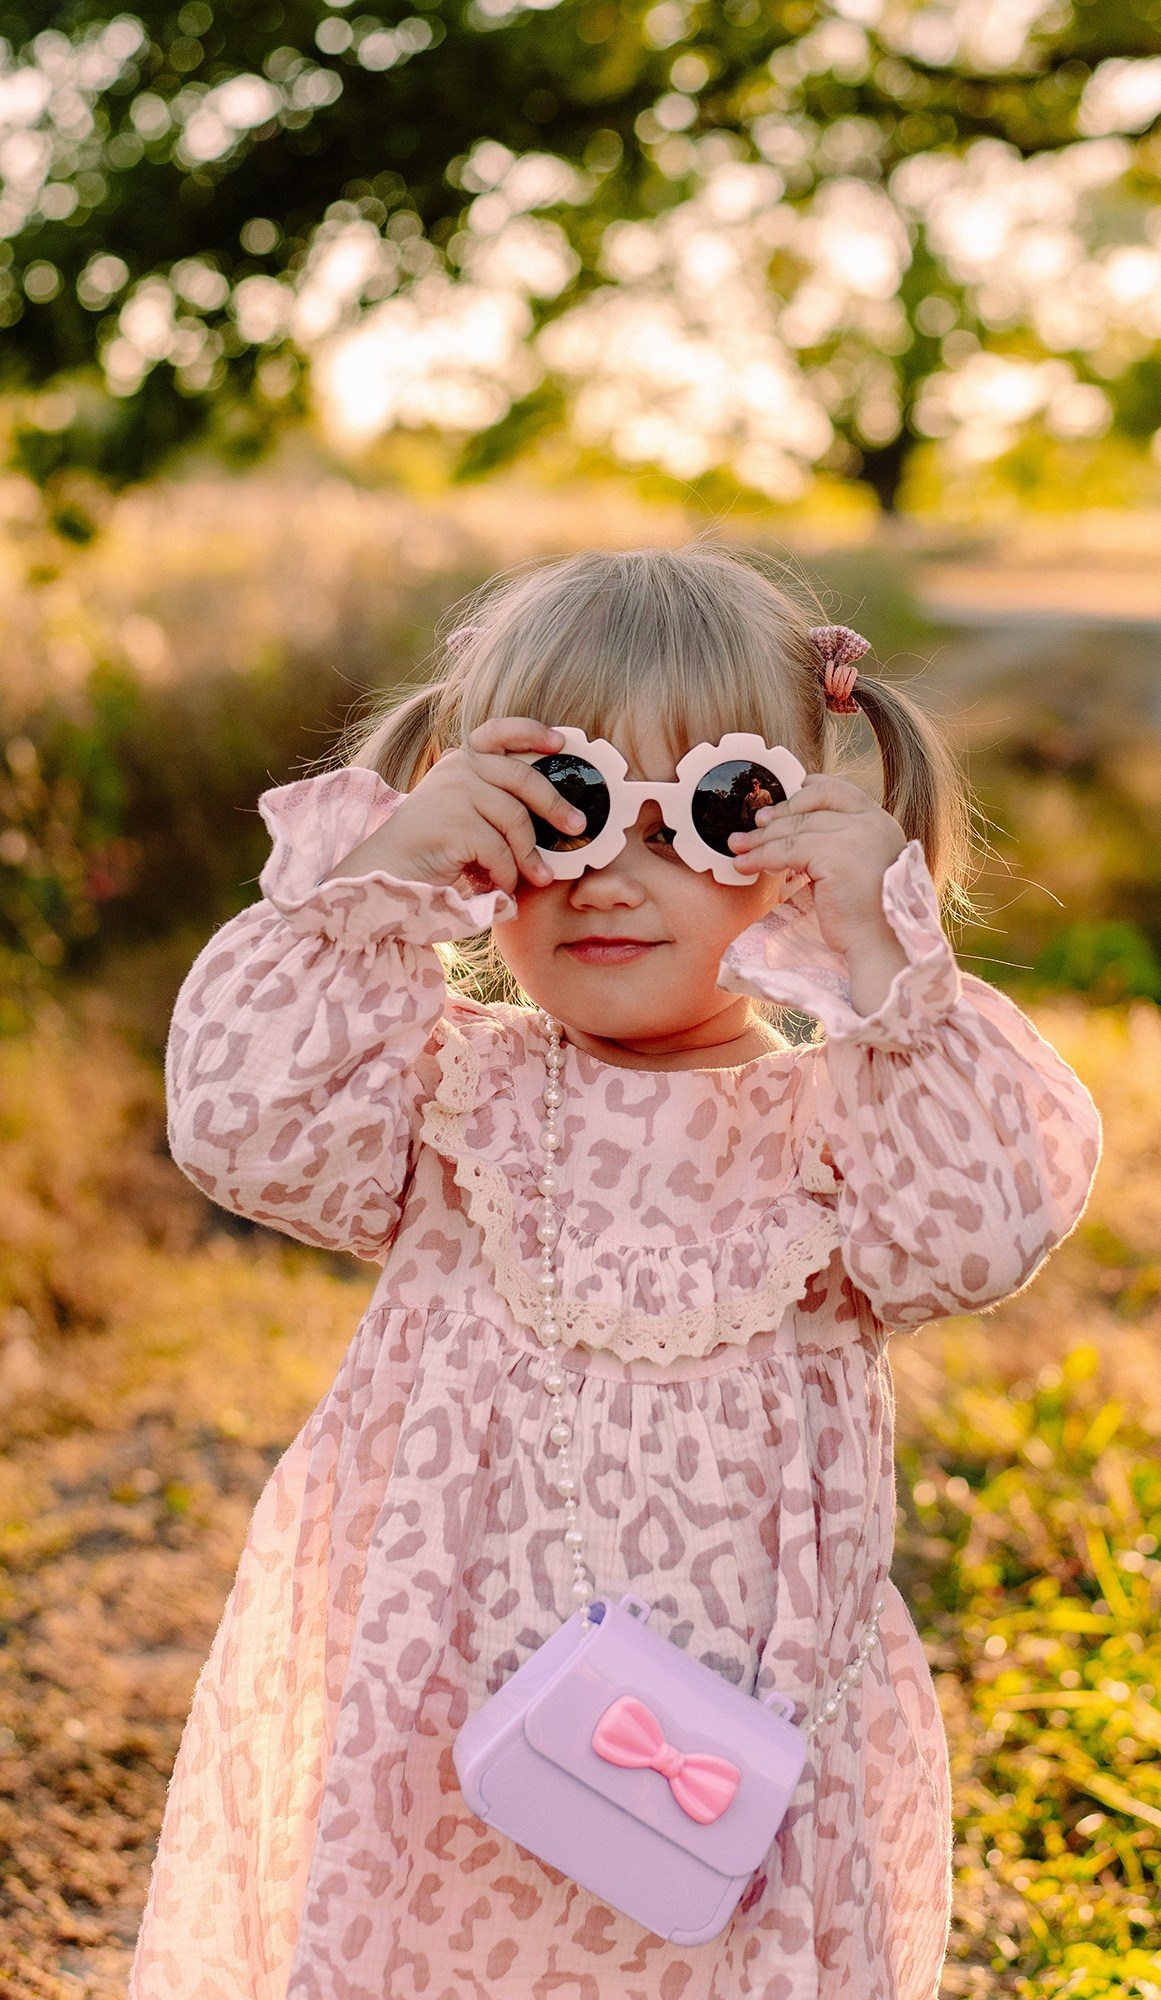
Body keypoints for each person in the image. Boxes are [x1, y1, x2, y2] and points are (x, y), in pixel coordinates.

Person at [129, 545, 1100, 2000]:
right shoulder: (451, 1100)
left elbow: (994, 1221)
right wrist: (377, 884)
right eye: (562, 810)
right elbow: (237, 1123)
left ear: (787, 852)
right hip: (444, 1740)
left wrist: (889, 972)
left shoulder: (852, 1121)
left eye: (706, 816)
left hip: (738, 1768)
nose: (611, 879)